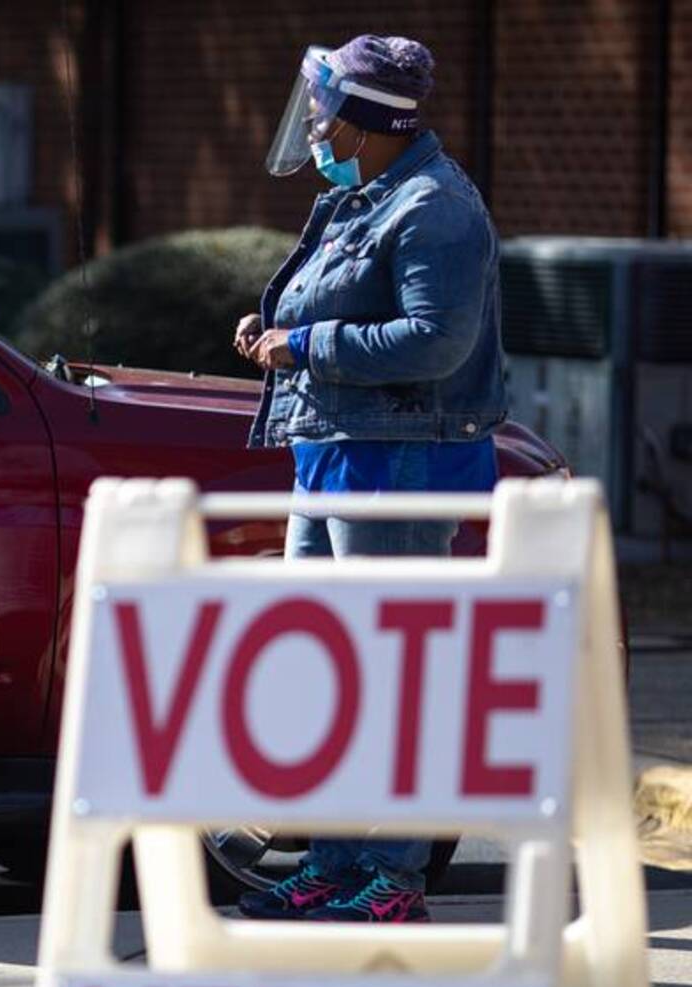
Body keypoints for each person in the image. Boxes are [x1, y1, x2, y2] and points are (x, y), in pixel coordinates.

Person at [234, 36, 505, 924]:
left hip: (402, 458)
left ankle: (393, 878)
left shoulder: (436, 209)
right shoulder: (366, 193)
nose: (311, 124)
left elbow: (438, 342)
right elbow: (339, 305)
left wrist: (307, 345)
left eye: (322, 110)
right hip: (336, 446)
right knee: (335, 676)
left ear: (365, 122)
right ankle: (337, 862)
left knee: (387, 675)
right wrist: (274, 329)